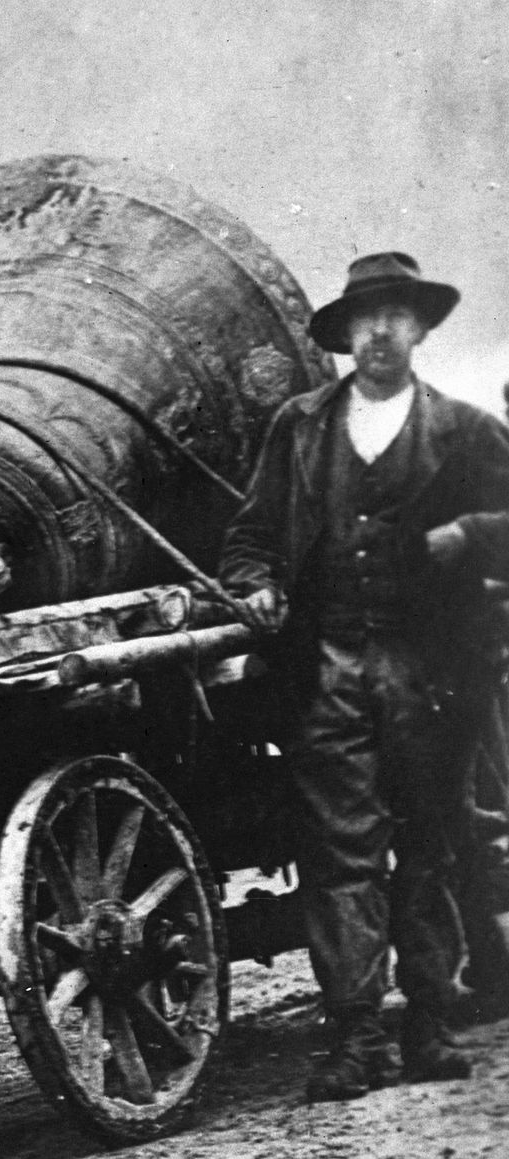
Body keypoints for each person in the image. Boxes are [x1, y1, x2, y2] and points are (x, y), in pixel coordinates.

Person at [221, 252, 509, 1101]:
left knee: (427, 842)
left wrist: (466, 538)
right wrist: (256, 586)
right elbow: (252, 534)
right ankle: (355, 1035)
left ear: (421, 328)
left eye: (396, 315)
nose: (380, 331)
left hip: (431, 671)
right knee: (338, 853)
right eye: (364, 317)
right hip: (327, 668)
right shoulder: (300, 428)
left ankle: (428, 1023)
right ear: (344, 335)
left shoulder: (463, 430)